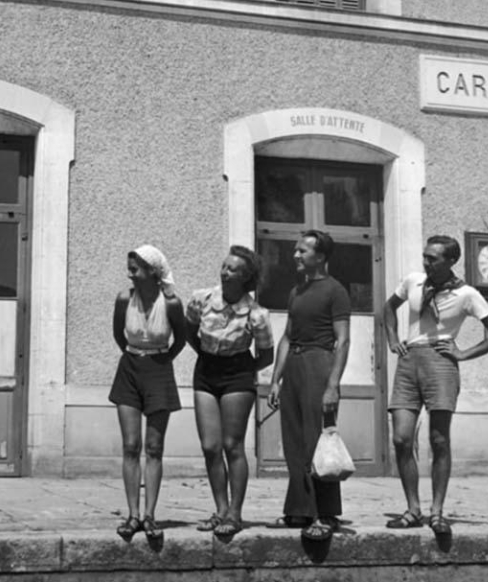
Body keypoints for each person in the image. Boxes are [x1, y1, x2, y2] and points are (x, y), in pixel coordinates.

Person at [383, 235, 488, 535]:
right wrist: (392, 339)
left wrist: (463, 354)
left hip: (441, 364)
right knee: (401, 438)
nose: (426, 262)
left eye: (433, 258)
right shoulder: (414, 281)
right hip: (408, 362)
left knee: (439, 440)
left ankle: (437, 512)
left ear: (450, 261)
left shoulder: (467, 294)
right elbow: (388, 309)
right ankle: (413, 509)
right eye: (425, 256)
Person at [267, 230, 351, 542]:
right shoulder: (296, 291)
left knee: (318, 439)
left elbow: (343, 340)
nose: (296, 255)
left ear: (321, 256)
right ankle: (300, 509)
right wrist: (275, 380)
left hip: (320, 363)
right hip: (295, 367)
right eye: (296, 250)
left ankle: (325, 514)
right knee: (294, 442)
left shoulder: (335, 290)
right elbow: (287, 336)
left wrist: (333, 385)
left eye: (302, 251)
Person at [186, 245, 274, 540]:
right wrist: (208, 355)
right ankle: (220, 509)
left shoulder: (257, 313)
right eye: (224, 266)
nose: (225, 272)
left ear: (245, 277)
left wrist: (242, 369)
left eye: (233, 269)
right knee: (210, 446)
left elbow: (266, 355)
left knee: (232, 444)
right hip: (206, 371)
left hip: (238, 374)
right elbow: (189, 331)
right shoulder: (202, 299)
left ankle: (235, 512)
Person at [109, 245, 186, 542]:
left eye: (137, 264)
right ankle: (132, 515)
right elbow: (119, 334)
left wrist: (162, 360)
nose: (130, 268)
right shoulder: (124, 299)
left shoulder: (172, 304)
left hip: (158, 369)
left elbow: (181, 339)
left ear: (153, 270)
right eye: (130, 263)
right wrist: (134, 355)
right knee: (131, 444)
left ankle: (150, 515)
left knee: (154, 447)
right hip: (129, 368)